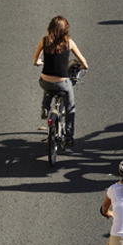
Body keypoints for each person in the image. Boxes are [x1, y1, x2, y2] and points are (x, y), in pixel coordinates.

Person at [33, 16, 89, 147]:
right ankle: (69, 138)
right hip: (63, 83)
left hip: (45, 81)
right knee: (70, 107)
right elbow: (84, 62)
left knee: (48, 84)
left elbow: (35, 59)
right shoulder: (69, 43)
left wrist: (39, 62)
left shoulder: (44, 41)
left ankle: (45, 109)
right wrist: (82, 67)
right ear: (65, 30)